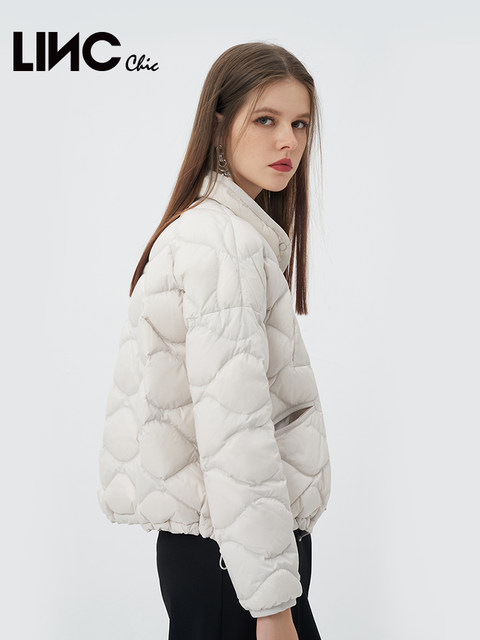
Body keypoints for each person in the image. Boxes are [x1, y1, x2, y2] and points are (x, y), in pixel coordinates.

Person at [97, 41, 331, 640]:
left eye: (300, 124)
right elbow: (236, 435)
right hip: (235, 561)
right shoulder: (222, 245)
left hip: (224, 554)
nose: (289, 142)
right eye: (266, 120)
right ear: (220, 123)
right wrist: (271, 606)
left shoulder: (214, 232)